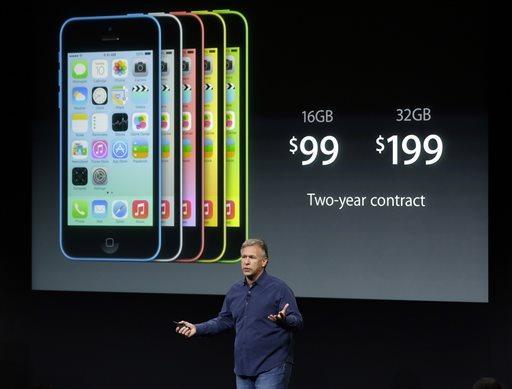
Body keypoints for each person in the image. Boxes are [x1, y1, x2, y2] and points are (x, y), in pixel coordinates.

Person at [176, 238, 303, 389]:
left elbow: (297, 321)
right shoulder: (235, 291)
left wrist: (284, 320)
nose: (246, 262)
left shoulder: (279, 288)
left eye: (252, 257)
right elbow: (224, 320)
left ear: (264, 262)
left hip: (272, 365)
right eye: (244, 257)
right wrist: (198, 328)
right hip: (243, 369)